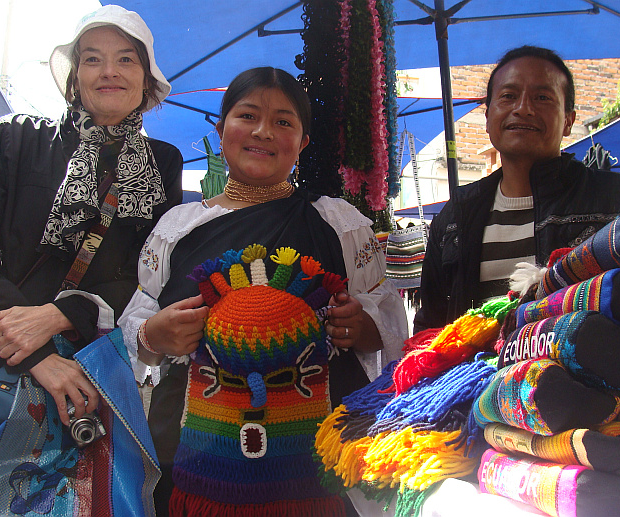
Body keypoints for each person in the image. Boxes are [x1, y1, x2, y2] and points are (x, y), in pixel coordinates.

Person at [117, 67, 408, 515]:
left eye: (284, 122)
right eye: (248, 115)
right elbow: (136, 324)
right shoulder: (177, 227)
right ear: (221, 128)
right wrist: (153, 336)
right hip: (194, 455)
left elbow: (389, 318)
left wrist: (363, 327)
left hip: (322, 459)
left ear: (303, 142)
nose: (263, 132)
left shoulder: (340, 224)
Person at [0, 5, 183, 473]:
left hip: (95, 379)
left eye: (126, 59)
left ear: (147, 79)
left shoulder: (162, 163)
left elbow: (153, 273)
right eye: (92, 59)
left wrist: (58, 315)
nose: (109, 71)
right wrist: (39, 356)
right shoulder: (12, 139)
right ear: (74, 75)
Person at [413, 45, 620, 332]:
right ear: (487, 118)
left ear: (568, 121)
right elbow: (430, 326)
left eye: (542, 97)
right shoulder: (455, 217)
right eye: (508, 96)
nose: (523, 108)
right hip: (473, 376)